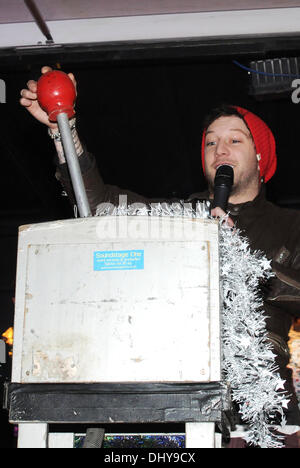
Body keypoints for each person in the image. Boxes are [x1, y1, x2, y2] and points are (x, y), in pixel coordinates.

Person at [20, 67, 300, 447]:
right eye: (210, 143)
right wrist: (61, 128)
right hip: (181, 407)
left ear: (261, 154)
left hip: (265, 415)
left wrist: (240, 259)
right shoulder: (181, 217)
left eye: (235, 140)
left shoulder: (290, 224)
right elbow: (99, 206)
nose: (220, 150)